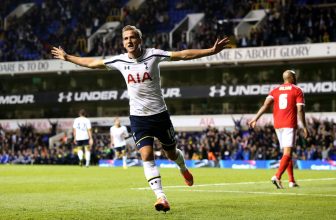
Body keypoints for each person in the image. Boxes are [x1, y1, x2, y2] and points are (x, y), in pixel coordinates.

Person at [52, 25, 230, 212]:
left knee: (171, 153)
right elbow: (92, 63)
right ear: (123, 42)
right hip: (138, 118)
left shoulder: (153, 55)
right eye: (125, 38)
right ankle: (161, 197)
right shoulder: (119, 60)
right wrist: (68, 57)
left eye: (132, 37)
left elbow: (183, 54)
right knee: (146, 155)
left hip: (160, 115)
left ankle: (183, 168)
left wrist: (211, 51)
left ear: (140, 39)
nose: (129, 41)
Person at [248, 70, 309, 189]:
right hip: (289, 124)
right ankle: (277, 176)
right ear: (291, 78)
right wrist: (304, 126)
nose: (296, 78)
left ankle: (291, 181)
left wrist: (255, 118)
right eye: (295, 76)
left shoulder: (275, 90)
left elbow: (265, 105)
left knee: (287, 153)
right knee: (288, 153)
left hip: (278, 125)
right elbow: (300, 110)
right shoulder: (297, 90)